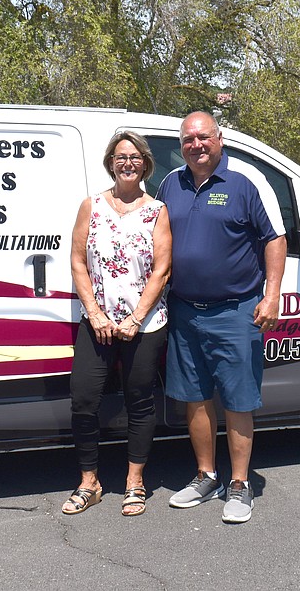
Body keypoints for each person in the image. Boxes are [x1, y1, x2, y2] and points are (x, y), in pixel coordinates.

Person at [156, 111, 286, 524]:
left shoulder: (246, 181)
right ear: (182, 144)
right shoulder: (169, 183)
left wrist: (272, 295)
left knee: (237, 401)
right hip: (184, 311)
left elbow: (274, 239)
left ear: (219, 138)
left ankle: (241, 484)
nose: (196, 145)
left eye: (203, 137)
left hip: (235, 311)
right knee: (195, 398)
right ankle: (206, 475)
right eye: (188, 139)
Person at [62, 130, 172, 517]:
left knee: (140, 402)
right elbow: (77, 262)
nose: (128, 163)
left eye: (136, 157)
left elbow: (162, 269)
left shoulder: (156, 210)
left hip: (144, 325)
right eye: (121, 156)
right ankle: (89, 482)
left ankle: (134, 481)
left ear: (145, 164)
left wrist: (135, 318)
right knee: (83, 400)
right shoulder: (90, 206)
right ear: (111, 162)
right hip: (97, 323)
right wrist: (95, 312)